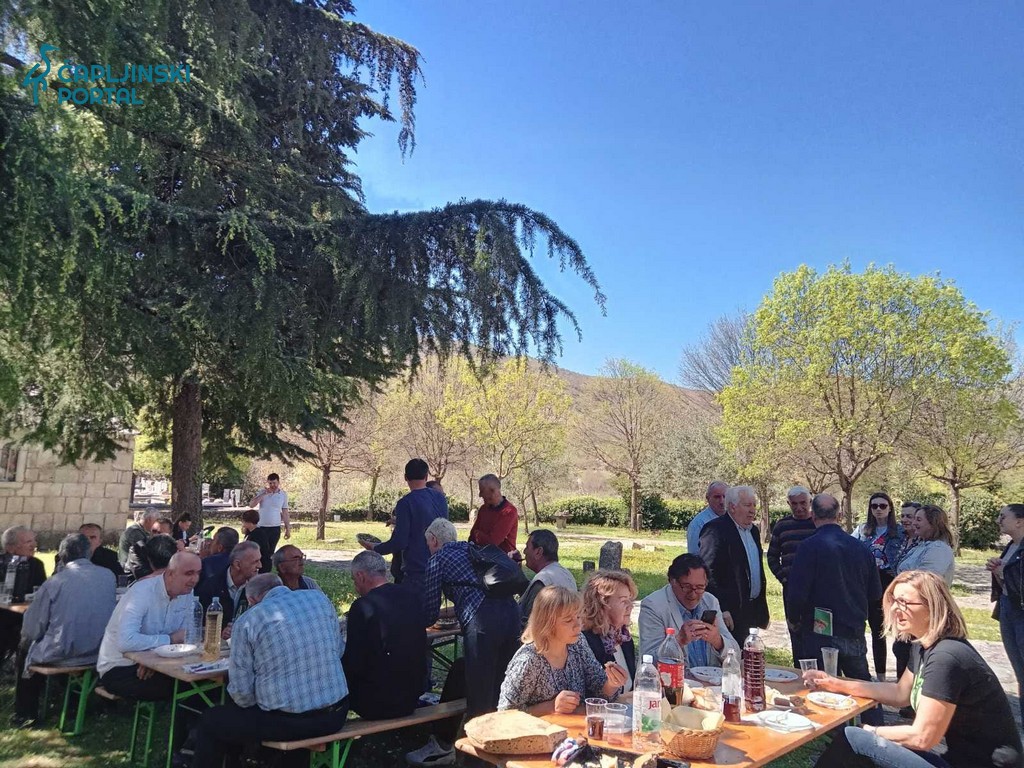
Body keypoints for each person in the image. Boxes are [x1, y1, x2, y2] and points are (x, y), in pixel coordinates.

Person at [809, 570, 1023, 768]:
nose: (895, 609)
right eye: (893, 601)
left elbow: (923, 737)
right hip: (955, 760)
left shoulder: (947, 656)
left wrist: (871, 731)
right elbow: (900, 693)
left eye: (904, 602)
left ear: (932, 606)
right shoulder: (924, 646)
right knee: (856, 745)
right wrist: (836, 683)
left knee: (854, 739)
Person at [191, 574, 348, 768]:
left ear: (251, 600)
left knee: (211, 721)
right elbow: (338, 650)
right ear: (281, 586)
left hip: (289, 722)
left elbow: (242, 694)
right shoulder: (319, 599)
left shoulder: (248, 620)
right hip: (336, 714)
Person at [785, 494, 882, 723]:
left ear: (813, 516)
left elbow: (797, 592)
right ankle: (876, 728)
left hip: (820, 630)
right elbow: (875, 593)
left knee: (820, 686)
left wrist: (794, 619)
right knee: (862, 684)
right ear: (839, 515)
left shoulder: (809, 547)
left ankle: (829, 730)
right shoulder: (861, 548)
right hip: (853, 626)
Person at [12, 534, 117, 727]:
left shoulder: (55, 582)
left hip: (64, 652)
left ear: (61, 556)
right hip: (100, 650)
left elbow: (32, 627)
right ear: (89, 552)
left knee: (25, 647)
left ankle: (25, 712)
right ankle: (72, 703)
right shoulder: (108, 576)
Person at [424, 518, 519, 718]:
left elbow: (429, 613)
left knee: (480, 693)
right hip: (511, 615)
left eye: (427, 544)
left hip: (483, 623)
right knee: (505, 686)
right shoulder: (474, 549)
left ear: (433, 540)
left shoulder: (437, 559)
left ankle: (478, 735)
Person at [497, 586, 627, 712]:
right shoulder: (528, 660)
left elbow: (599, 687)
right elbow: (505, 713)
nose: (578, 625)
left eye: (578, 617)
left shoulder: (578, 643)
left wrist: (612, 683)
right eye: (568, 620)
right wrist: (551, 706)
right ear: (547, 624)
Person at [97, 552, 201, 699]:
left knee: (198, 681)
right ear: (171, 574)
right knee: (182, 687)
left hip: (158, 661)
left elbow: (185, 637)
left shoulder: (187, 592)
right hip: (119, 666)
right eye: (189, 573)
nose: (195, 579)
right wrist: (170, 640)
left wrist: (153, 661)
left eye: (198, 573)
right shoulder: (142, 592)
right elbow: (126, 642)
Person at [342, 550, 426, 719]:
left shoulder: (363, 606)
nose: (355, 585)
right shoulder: (411, 597)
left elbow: (354, 661)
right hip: (412, 695)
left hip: (377, 701)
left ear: (360, 576)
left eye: (353, 580)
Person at [363, 459, 447, 593]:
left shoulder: (405, 503)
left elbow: (400, 541)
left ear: (405, 477)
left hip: (416, 570)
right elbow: (437, 525)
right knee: (431, 606)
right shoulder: (440, 498)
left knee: (412, 605)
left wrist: (375, 548)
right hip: (439, 567)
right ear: (426, 476)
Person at [638, 553, 737, 668]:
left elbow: (736, 655)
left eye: (700, 587)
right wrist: (678, 641)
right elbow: (648, 662)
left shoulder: (710, 601)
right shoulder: (653, 605)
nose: (693, 594)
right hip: (674, 678)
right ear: (672, 581)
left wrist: (718, 641)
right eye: (687, 587)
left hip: (711, 677)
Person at [698, 485, 769, 636]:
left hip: (752, 609)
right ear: (732, 507)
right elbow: (707, 572)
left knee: (750, 649)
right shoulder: (715, 530)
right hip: (729, 612)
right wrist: (722, 608)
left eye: (754, 505)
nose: (752, 510)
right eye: (747, 505)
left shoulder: (753, 531)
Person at [852, 492, 905, 681]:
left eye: (883, 506)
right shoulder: (862, 530)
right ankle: (872, 675)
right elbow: (850, 547)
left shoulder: (900, 532)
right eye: (874, 506)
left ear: (890, 508)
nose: (878, 510)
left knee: (889, 631)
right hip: (867, 583)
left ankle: (892, 677)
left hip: (889, 582)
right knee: (870, 630)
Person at [766, 485, 816, 664]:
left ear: (810, 502)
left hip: (817, 590)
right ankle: (799, 669)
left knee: (818, 633)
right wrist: (784, 578)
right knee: (796, 631)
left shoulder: (817, 524)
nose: (799, 507)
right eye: (794, 504)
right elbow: (772, 556)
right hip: (792, 590)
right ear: (789, 504)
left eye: (803, 503)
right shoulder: (782, 526)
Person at [988, 503, 1024, 729]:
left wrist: (1002, 572)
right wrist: (997, 573)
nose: (998, 521)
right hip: (1007, 608)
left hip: (1020, 613)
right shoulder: (1011, 546)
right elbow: (1007, 584)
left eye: (1003, 517)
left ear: (1019, 521)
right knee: (1019, 670)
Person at [580, 570, 637, 692]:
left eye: (630, 599)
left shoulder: (625, 639)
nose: (630, 606)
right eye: (623, 600)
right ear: (603, 604)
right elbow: (593, 694)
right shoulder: (586, 642)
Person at [0, 526, 48, 666]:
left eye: (34, 540)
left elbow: (40, 592)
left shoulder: (36, 565)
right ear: (11, 547)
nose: (34, 545)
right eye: (28, 541)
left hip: (25, 615)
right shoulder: (2, 563)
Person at [196, 541, 263, 632]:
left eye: (259, 560)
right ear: (237, 565)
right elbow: (200, 622)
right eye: (255, 562)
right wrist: (221, 632)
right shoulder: (210, 586)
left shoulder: (260, 588)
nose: (260, 566)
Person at [519, 529, 577, 628]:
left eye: (527, 547)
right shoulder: (566, 573)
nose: (524, 552)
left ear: (538, 552)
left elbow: (528, 623)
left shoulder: (542, 581)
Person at [896, 505, 955, 586]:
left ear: (932, 523)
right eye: (914, 519)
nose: (914, 523)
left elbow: (926, 580)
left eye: (918, 520)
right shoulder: (923, 545)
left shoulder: (938, 549)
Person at [469, 474, 518, 554]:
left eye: (482, 491)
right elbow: (472, 536)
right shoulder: (483, 509)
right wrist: (480, 536)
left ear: (493, 491)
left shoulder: (509, 511)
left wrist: (478, 534)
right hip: (482, 555)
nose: (480, 495)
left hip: (503, 558)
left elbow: (493, 542)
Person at [248, 472, 291, 554]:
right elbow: (251, 505)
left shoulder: (283, 495)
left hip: (275, 528)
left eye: (274, 483)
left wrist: (287, 529)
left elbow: (285, 512)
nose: (272, 485)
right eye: (270, 483)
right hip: (261, 527)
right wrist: (264, 494)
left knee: (270, 551)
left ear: (278, 482)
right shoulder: (262, 492)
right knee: (260, 550)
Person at [686, 481, 729, 555]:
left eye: (725, 496)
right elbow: (694, 555)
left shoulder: (734, 520)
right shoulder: (698, 524)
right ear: (708, 498)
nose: (722, 501)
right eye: (717, 497)